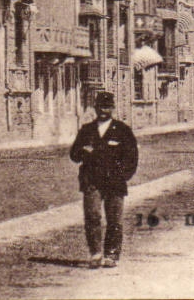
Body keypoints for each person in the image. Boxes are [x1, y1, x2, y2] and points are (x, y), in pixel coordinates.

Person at [69, 91, 139, 268]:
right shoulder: (87, 130)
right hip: (92, 180)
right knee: (92, 215)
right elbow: (74, 155)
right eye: (100, 107)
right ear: (95, 108)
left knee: (114, 219)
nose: (103, 110)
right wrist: (84, 151)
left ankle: (112, 254)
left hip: (115, 182)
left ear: (112, 108)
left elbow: (132, 157)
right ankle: (95, 253)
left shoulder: (122, 130)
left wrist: (123, 176)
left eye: (107, 107)